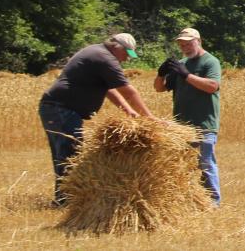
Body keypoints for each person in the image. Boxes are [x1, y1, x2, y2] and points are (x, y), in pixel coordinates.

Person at [39, 33, 157, 206]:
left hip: (57, 109)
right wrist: (151, 118)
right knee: (70, 154)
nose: (126, 59)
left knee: (66, 154)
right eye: (126, 54)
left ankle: (65, 199)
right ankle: (67, 201)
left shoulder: (97, 53)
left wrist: (130, 112)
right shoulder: (104, 58)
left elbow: (110, 90)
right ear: (117, 47)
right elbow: (128, 91)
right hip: (61, 109)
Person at [154, 27, 222, 205]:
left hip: (204, 125)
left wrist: (187, 75)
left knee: (205, 164)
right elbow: (159, 88)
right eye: (182, 45)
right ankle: (189, 202)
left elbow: (212, 86)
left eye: (189, 44)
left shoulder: (210, 62)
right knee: (183, 165)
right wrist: (161, 74)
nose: (185, 48)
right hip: (181, 127)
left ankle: (213, 203)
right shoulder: (182, 63)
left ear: (198, 41)